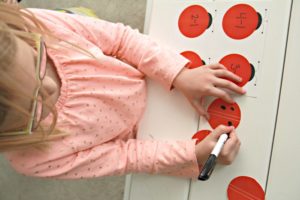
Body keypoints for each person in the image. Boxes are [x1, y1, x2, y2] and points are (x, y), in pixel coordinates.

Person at [0, 3, 244, 179]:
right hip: (146, 137)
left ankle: (80, 14)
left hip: (144, 73)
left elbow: (121, 39)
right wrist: (192, 153)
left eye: (35, 60)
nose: (51, 86)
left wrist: (178, 73)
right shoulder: (33, 159)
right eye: (34, 105)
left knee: (86, 22)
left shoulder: (34, 26)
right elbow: (127, 157)